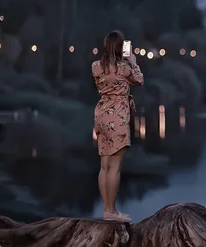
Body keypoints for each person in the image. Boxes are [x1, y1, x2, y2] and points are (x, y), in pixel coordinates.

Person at [91, 30, 143, 222]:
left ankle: (106, 209)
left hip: (101, 113)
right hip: (118, 117)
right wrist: (133, 62)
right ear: (121, 47)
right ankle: (112, 212)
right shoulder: (124, 68)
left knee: (104, 166)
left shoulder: (96, 66)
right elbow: (139, 80)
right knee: (115, 167)